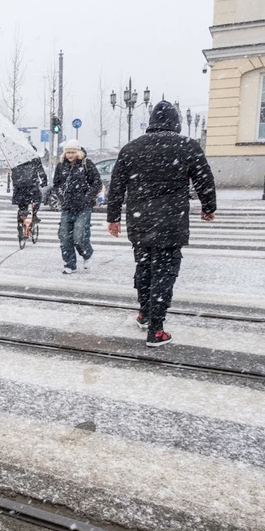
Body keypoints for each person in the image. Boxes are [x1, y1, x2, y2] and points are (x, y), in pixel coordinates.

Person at [107, 101, 217, 348]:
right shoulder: (187, 146)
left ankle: (145, 314)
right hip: (171, 220)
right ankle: (156, 330)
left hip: (140, 220)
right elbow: (204, 178)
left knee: (144, 267)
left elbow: (116, 186)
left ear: (151, 121)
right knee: (165, 271)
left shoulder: (131, 148)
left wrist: (113, 217)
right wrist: (208, 207)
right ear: (175, 122)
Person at [53, 139, 102, 273]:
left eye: (72, 152)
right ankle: (69, 264)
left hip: (83, 207)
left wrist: (87, 198)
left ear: (78, 152)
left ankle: (87, 254)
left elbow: (97, 182)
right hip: (67, 206)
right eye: (68, 152)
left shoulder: (87, 164)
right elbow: (56, 184)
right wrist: (61, 197)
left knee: (79, 235)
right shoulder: (61, 165)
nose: (70, 155)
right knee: (64, 236)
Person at [11, 157, 48, 225]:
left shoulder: (15, 158)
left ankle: (20, 227)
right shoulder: (35, 158)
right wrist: (44, 181)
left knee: (22, 208)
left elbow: (13, 174)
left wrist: (16, 184)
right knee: (38, 199)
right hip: (32, 186)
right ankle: (34, 215)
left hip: (19, 188)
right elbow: (41, 171)